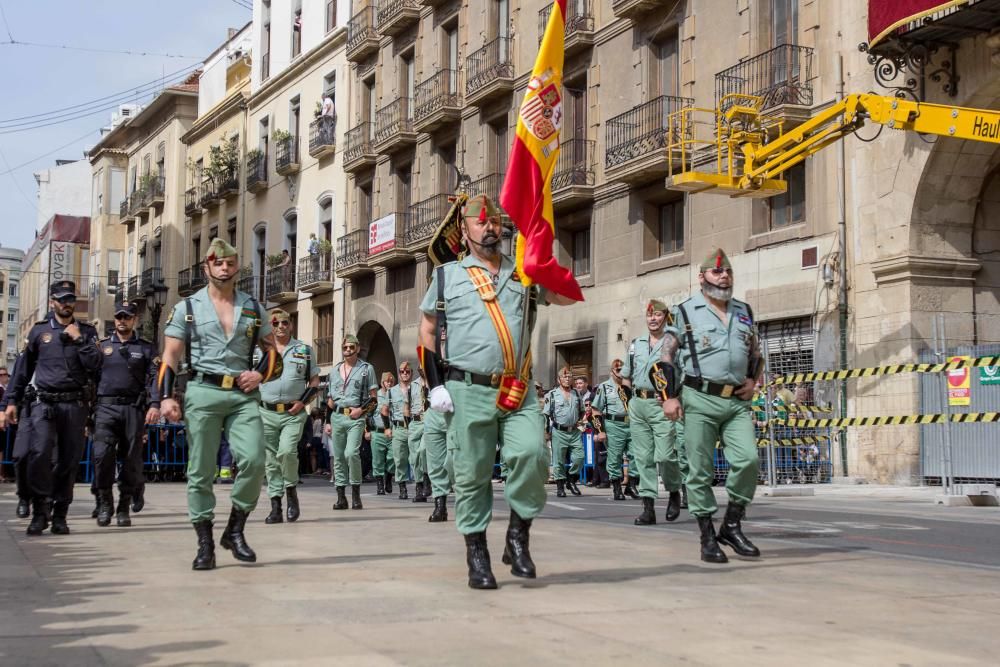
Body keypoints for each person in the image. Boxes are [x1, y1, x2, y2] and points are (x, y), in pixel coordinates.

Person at [417, 193, 574, 589]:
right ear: (465, 229)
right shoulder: (445, 276)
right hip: (467, 388)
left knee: (532, 454)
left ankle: (518, 535)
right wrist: (434, 384)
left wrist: (544, 262)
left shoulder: (523, 270)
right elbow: (428, 332)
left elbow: (563, 296)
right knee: (471, 474)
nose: (491, 227)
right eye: (481, 221)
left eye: (496, 222)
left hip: (518, 385)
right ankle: (477, 552)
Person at [157, 238, 281, 570]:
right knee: (200, 470)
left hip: (242, 396)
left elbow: (272, 354)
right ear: (206, 267)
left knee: (255, 460)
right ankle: (204, 544)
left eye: (229, 263)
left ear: (236, 266)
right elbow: (170, 356)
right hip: (203, 392)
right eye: (217, 262)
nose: (223, 268)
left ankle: (235, 530)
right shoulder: (187, 308)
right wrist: (166, 396)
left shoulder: (253, 308)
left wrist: (259, 376)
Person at [661, 248, 764, 564]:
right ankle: (707, 536)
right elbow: (666, 356)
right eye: (717, 272)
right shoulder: (684, 311)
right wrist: (669, 396)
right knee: (700, 470)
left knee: (748, 460)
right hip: (699, 397)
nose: (724, 276)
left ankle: (731, 524)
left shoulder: (743, 311)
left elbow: (755, 351)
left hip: (736, 401)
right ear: (701, 277)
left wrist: (753, 380)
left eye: (727, 272)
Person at [2, 281, 100, 536]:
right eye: (61, 299)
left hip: (74, 405)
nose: (66, 303)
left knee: (68, 461)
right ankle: (39, 511)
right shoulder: (39, 332)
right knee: (39, 454)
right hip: (43, 403)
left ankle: (59, 514)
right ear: (52, 302)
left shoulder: (87, 332)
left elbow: (96, 365)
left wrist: (80, 341)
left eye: (70, 299)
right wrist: (9, 402)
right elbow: (22, 371)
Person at [91, 302, 159, 528]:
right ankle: (104, 503)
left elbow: (154, 379)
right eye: (119, 316)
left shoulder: (146, 348)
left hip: (133, 409)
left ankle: (123, 506)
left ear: (134, 320)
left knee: (130, 460)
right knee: (102, 457)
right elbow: (90, 379)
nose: (122, 320)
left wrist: (155, 404)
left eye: (127, 317)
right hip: (105, 408)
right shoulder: (101, 347)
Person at [621, 299, 684, 526]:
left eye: (657, 315)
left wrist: (673, 394)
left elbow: (682, 373)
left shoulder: (672, 343)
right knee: (643, 458)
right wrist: (629, 403)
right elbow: (626, 377)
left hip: (662, 404)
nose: (653, 319)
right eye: (649, 315)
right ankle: (648, 507)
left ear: (665, 317)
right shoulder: (635, 344)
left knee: (665, 455)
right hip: (638, 404)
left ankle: (675, 491)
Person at [259, 308, 320, 524]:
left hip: (293, 413)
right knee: (271, 460)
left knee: (286, 452)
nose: (280, 327)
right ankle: (276, 506)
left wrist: (303, 402)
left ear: (290, 325)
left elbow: (314, 382)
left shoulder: (303, 349)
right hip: (265, 412)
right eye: (275, 324)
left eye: (284, 323)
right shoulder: (260, 351)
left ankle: (291, 493)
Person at [326, 333, 377, 510]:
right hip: (337, 416)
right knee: (339, 457)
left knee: (351, 453)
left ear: (358, 349)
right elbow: (330, 400)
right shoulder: (334, 371)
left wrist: (361, 411)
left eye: (351, 347)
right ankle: (341, 497)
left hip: (356, 417)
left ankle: (356, 494)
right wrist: (327, 421)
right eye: (345, 347)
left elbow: (374, 400)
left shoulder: (366, 369)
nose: (348, 350)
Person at [591, 358, 631, 501]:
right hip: (614, 424)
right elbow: (595, 410)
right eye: (618, 370)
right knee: (614, 458)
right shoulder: (605, 387)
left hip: (632, 424)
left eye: (623, 369)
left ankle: (631, 485)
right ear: (612, 371)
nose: (621, 373)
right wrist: (600, 430)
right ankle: (617, 488)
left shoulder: (630, 385)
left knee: (637, 455)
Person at [420, 364, 455, 522]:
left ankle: (467, 501)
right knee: (435, 462)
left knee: (455, 458)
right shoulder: (429, 343)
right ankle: (440, 505)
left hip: (455, 409)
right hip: (434, 411)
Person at [545, 367, 584, 498]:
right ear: (559, 379)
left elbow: (583, 411)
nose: (567, 379)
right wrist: (546, 432)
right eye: (564, 377)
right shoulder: (551, 395)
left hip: (574, 432)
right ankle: (560, 487)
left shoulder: (577, 394)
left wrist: (580, 424)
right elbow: (546, 415)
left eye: (569, 377)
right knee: (559, 461)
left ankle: (571, 479)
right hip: (559, 431)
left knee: (580, 457)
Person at [405, 361, 430, 503]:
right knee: (414, 457)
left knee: (423, 451)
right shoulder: (412, 386)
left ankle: (427, 480)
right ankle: (419, 488)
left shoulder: (434, 383)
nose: (422, 367)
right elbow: (406, 406)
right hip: (415, 422)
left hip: (429, 420)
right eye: (421, 364)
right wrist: (408, 425)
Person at [388, 361, 414, 500]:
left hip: (414, 426)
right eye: (402, 371)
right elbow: (385, 410)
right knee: (399, 459)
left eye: (407, 371)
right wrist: (387, 428)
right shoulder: (392, 391)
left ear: (411, 373)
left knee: (417, 457)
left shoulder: (417, 388)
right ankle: (402, 487)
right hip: (399, 428)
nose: (404, 374)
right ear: (398, 373)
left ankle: (420, 485)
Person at [371, 371, 395, 495]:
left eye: (391, 381)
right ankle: (380, 484)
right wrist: (367, 430)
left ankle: (389, 477)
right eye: (387, 381)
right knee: (378, 459)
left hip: (393, 432)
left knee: (393, 457)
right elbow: (368, 414)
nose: (389, 383)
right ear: (382, 382)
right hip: (378, 432)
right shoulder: (377, 396)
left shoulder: (396, 394)